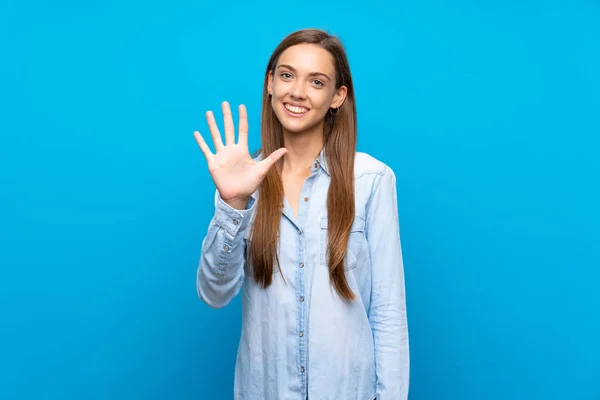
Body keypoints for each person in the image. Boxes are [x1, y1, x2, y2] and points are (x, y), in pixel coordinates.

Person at [193, 28, 409, 400]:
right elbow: (213, 293)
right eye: (287, 75)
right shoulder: (242, 180)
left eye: (317, 81)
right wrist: (233, 204)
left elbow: (389, 313)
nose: (297, 91)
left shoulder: (372, 180)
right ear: (270, 84)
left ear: (337, 97)